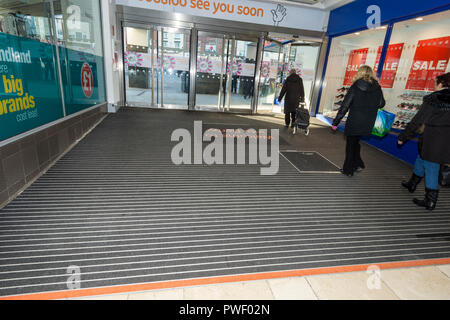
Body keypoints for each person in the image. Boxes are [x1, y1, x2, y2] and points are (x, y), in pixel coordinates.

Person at [397, 72, 450, 211]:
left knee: (432, 167)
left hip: (434, 139)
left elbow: (417, 120)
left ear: (441, 83)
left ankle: (430, 200)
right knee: (422, 157)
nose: (434, 85)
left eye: (435, 83)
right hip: (446, 140)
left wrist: (403, 136)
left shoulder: (434, 99)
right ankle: (412, 184)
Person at [331, 65, 385, 176]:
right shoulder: (377, 87)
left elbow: (345, 105)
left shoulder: (356, 86)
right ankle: (358, 163)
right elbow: (381, 103)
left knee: (351, 145)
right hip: (368, 122)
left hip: (355, 121)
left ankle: (348, 170)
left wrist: (336, 122)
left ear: (359, 73)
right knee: (356, 143)